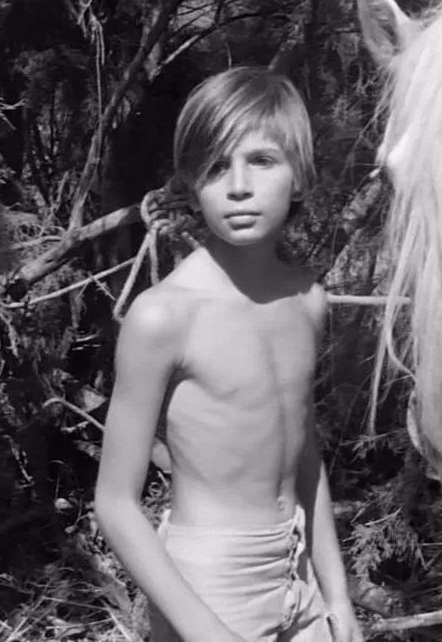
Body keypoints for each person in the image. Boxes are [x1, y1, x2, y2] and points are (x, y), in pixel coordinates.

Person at [94, 65, 362, 642]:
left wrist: (337, 593)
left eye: (262, 160)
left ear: (300, 176)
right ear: (192, 184)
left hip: (299, 575)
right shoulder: (164, 316)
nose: (238, 186)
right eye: (217, 167)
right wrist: (206, 631)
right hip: (211, 584)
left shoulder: (306, 299)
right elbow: (115, 503)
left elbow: (303, 454)